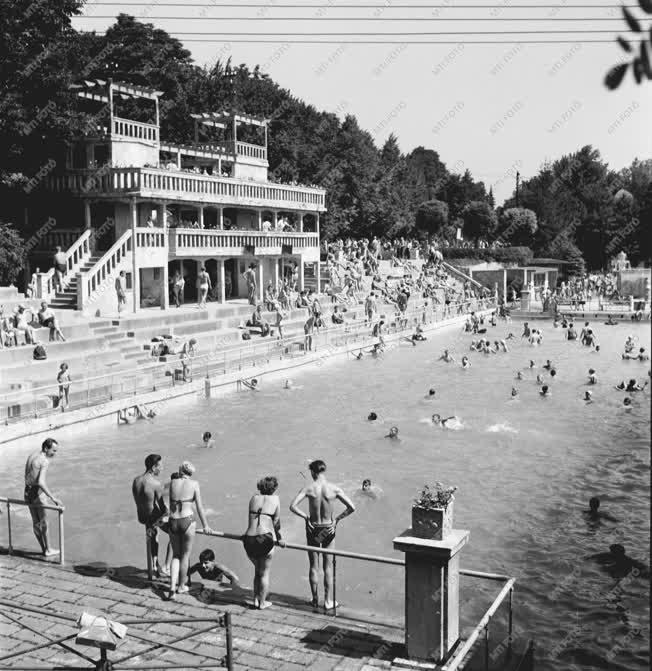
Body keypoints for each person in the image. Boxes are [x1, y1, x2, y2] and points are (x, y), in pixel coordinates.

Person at [289, 460, 355, 610]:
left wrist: (306, 517)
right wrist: (337, 519)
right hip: (328, 529)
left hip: (313, 529)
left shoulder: (308, 488)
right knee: (328, 567)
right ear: (323, 471)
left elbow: (292, 506)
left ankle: (314, 599)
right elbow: (352, 507)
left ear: (313, 472)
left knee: (313, 566)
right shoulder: (334, 489)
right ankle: (327, 601)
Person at [166, 461, 213, 599]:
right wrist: (205, 525)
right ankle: (181, 586)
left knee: (175, 555)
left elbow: (170, 504)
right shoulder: (194, 484)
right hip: (187, 521)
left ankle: (172, 588)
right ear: (191, 473)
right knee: (185, 556)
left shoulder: (173, 483)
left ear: (180, 470)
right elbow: (199, 507)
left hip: (173, 520)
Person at [243, 476, 285, 609]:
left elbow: (251, 519)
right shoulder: (276, 499)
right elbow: (276, 523)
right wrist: (280, 539)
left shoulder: (253, 498)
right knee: (264, 573)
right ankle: (262, 602)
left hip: (249, 540)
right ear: (274, 488)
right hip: (264, 539)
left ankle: (255, 599)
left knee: (257, 572)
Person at [24, 438, 62, 556]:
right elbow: (40, 482)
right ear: (46, 448)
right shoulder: (44, 461)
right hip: (38, 494)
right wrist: (53, 498)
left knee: (36, 523)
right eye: (53, 451)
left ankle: (43, 549)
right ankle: (49, 550)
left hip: (27, 493)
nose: (55, 454)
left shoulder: (32, 455)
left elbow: (27, 476)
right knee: (44, 523)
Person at [132, 454, 169, 577]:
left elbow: (142, 499)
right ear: (153, 467)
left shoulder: (136, 480)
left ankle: (154, 564)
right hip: (153, 519)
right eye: (160, 466)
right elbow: (163, 509)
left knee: (153, 535)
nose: (162, 468)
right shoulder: (155, 484)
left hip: (141, 516)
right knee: (177, 531)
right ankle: (165, 567)